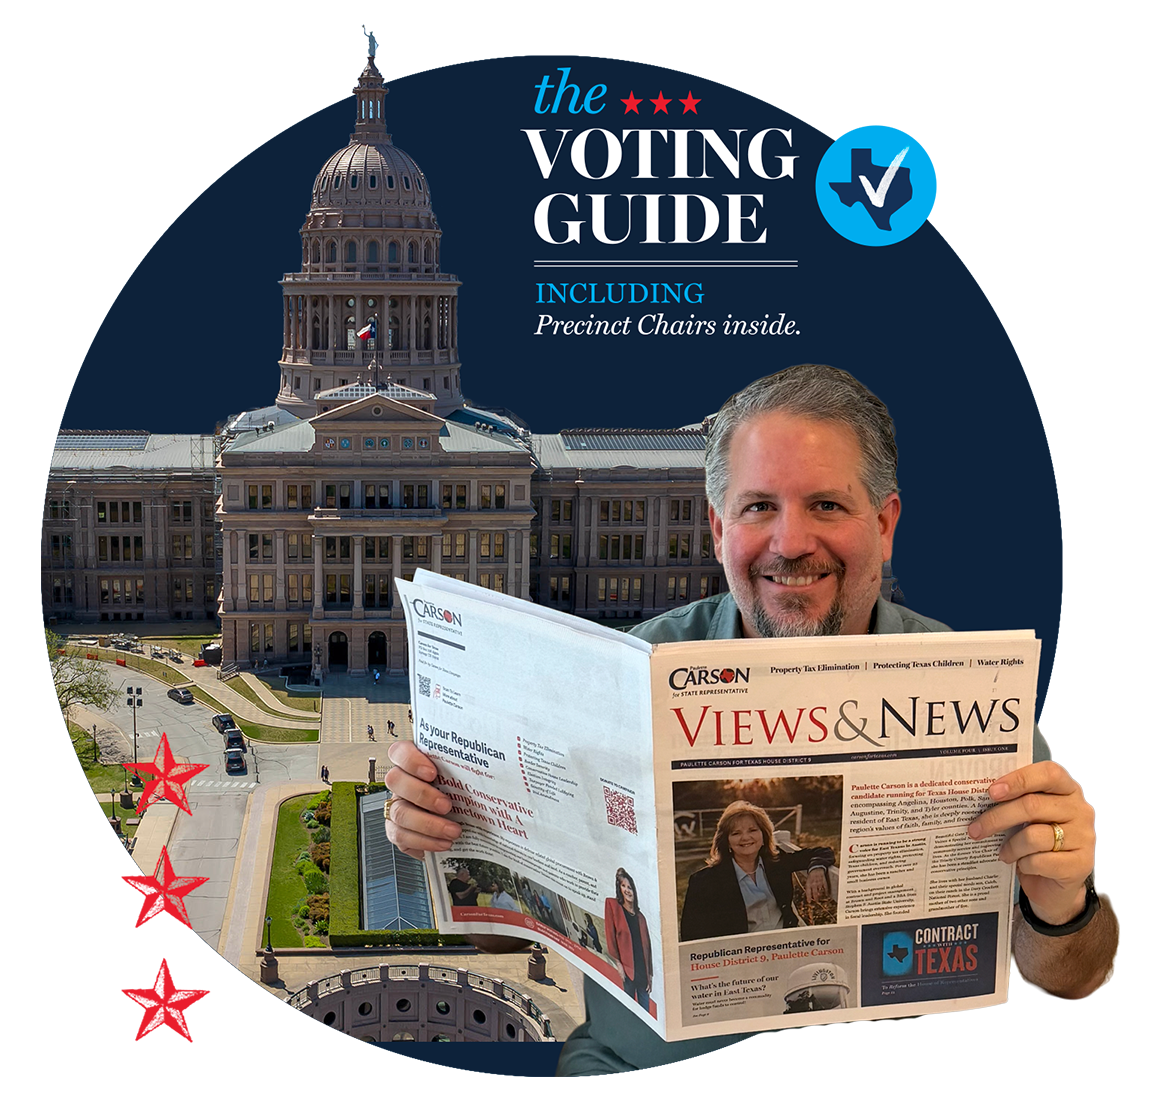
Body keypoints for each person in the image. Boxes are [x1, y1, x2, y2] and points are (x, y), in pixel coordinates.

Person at [381, 364, 1116, 1074]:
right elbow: (502, 934)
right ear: (716, 526)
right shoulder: (625, 674)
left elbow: (1074, 978)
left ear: (885, 523)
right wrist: (446, 837)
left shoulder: (974, 692)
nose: (790, 542)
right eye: (758, 506)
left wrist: (1062, 900)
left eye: (826, 505)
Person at [679, 801, 835, 942]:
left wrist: (816, 869)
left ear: (764, 835)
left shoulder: (778, 862)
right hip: (741, 958)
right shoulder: (704, 881)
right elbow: (691, 937)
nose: (745, 838)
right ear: (726, 841)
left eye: (752, 830)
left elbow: (823, 852)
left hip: (786, 946)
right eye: (736, 833)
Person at [603, 868, 653, 1011]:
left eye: (630, 887)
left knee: (645, 1015)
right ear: (619, 888)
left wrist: (650, 975)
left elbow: (648, 948)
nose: (627, 891)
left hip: (643, 974)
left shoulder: (641, 918)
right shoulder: (613, 906)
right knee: (629, 1012)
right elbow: (610, 935)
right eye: (623, 886)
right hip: (627, 971)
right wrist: (618, 963)